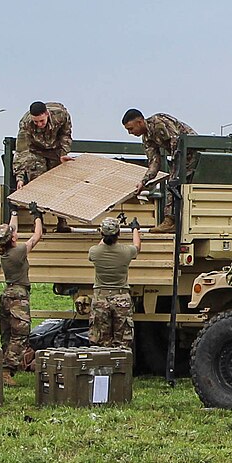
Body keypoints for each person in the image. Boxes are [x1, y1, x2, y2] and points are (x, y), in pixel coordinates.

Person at [121, 108, 195, 232]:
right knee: (173, 184)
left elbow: (176, 141)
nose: (130, 133)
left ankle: (171, 221)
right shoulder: (147, 139)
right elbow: (154, 162)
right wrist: (144, 182)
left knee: (174, 184)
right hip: (181, 158)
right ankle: (172, 221)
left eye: (131, 129)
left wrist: (175, 170)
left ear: (140, 122)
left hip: (192, 153)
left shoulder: (159, 122)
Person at [0, 207, 43, 383]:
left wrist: (14, 212)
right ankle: (6, 370)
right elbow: (37, 236)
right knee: (20, 335)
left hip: (7, 294)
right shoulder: (18, 252)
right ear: (13, 238)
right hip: (18, 298)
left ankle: (4, 366)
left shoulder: (4, 251)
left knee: (7, 333)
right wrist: (37, 217)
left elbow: (11, 230)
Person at [87, 217, 139, 349]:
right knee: (122, 342)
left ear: (101, 233)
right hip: (121, 298)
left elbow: (100, 246)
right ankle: (120, 367)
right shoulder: (126, 252)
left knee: (101, 341)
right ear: (119, 233)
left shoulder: (94, 252)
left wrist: (104, 234)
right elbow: (137, 247)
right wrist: (134, 229)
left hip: (100, 299)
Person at [13, 100, 73, 187]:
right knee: (38, 182)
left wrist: (63, 154)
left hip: (55, 149)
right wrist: (20, 178)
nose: (39, 124)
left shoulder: (60, 115)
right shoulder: (26, 123)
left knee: (57, 180)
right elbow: (22, 150)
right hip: (36, 150)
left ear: (47, 114)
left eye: (42, 120)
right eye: (36, 122)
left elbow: (65, 135)